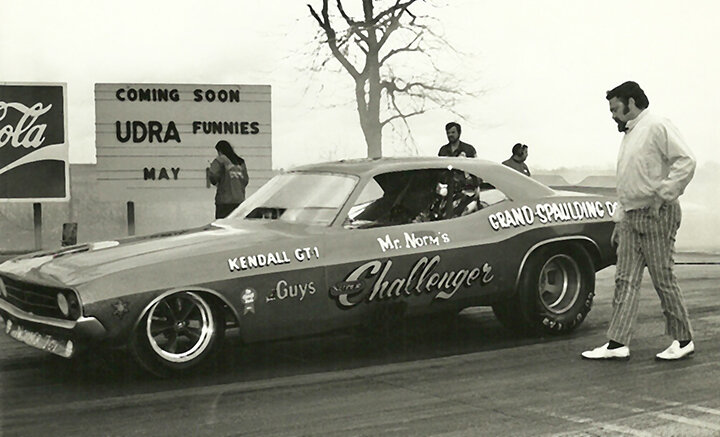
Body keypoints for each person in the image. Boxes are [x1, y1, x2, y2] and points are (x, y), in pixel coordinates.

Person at [582, 81, 696, 361]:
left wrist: (664, 194)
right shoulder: (631, 134)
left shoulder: (657, 125)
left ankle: (683, 340)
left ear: (631, 102)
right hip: (631, 218)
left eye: (615, 108)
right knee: (625, 280)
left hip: (656, 214)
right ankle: (617, 343)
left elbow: (687, 161)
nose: (612, 115)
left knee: (662, 278)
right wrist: (619, 221)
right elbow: (629, 181)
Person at [208, 140, 249, 219]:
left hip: (224, 201)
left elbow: (213, 176)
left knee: (223, 228)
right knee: (237, 226)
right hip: (239, 200)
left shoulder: (220, 160)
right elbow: (245, 180)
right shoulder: (240, 162)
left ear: (220, 150)